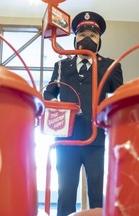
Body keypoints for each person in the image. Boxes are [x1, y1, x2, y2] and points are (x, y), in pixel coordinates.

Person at [43, 11, 123, 216]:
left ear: (99, 41)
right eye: (82, 35)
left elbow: (118, 97)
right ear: (75, 38)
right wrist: (55, 105)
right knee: (66, 192)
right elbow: (49, 92)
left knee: (97, 192)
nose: (87, 39)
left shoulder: (110, 66)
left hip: (96, 138)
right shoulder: (61, 66)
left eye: (93, 36)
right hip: (66, 138)